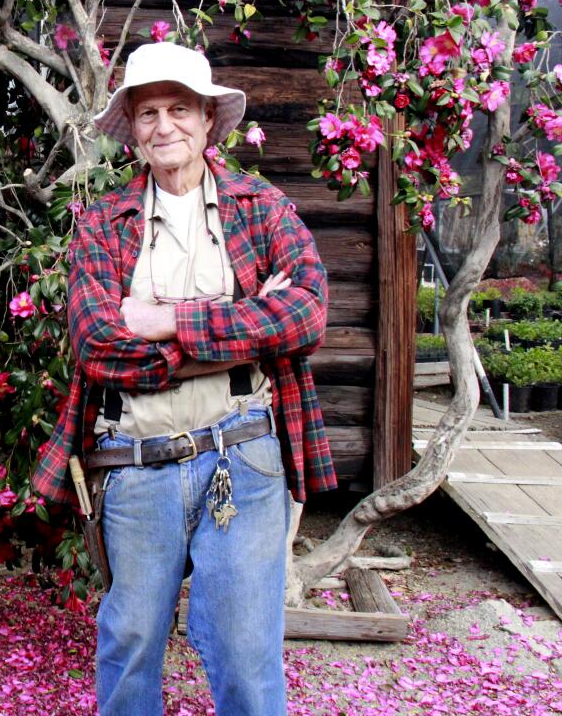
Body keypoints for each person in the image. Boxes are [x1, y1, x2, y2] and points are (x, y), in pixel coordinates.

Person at [32, 41, 338, 715]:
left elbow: (308, 313)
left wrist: (167, 322)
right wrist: (240, 334)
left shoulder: (262, 207)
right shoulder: (103, 221)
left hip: (243, 456)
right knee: (132, 640)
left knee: (243, 647)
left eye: (178, 109)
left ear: (207, 121)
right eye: (147, 113)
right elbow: (99, 347)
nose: (163, 126)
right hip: (135, 466)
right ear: (134, 129)